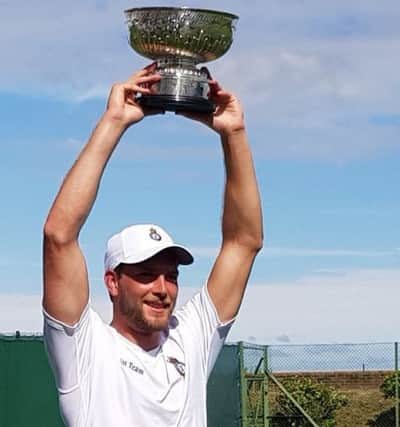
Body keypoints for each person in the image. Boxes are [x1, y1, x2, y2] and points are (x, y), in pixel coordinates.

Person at [42, 63, 263, 427]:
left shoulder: (189, 339)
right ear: (113, 282)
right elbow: (59, 236)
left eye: (171, 276)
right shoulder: (85, 348)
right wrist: (114, 121)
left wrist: (234, 133)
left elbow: (244, 243)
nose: (162, 289)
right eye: (146, 275)